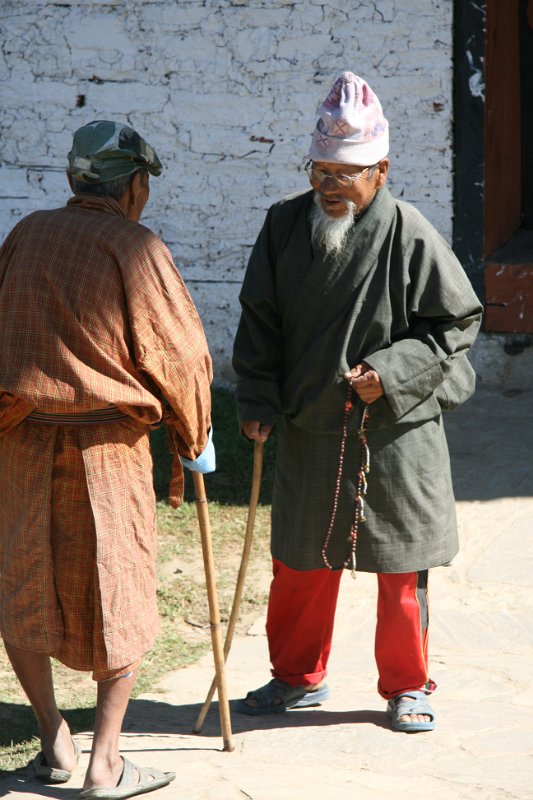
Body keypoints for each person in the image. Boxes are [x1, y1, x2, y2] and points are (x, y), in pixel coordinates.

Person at [232, 72, 483, 732]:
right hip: (312, 426)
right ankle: (294, 679)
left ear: (381, 170)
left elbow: (456, 322)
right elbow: (259, 320)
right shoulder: (284, 226)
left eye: (346, 173)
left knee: (401, 568)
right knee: (299, 563)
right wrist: (256, 396)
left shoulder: (407, 230)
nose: (330, 186)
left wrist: (391, 369)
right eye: (320, 171)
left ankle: (407, 687)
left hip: (394, 433)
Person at [0, 121, 214, 798]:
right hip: (107, 450)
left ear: (74, 180)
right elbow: (177, 355)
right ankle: (104, 763)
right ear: (137, 187)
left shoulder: (26, 234)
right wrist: (195, 433)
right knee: (118, 593)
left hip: (22, 443)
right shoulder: (136, 246)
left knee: (22, 587)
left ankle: (54, 739)